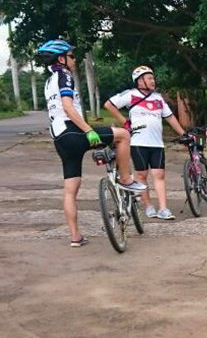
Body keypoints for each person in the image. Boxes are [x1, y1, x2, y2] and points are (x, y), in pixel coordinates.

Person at [37, 39, 146, 248]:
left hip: (59, 138)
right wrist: (88, 130)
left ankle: (75, 236)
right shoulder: (64, 76)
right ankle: (126, 179)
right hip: (73, 131)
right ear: (61, 59)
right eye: (71, 56)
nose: (74, 60)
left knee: (70, 190)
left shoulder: (49, 81)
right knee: (123, 135)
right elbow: (68, 107)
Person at [104, 66, 186, 220]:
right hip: (138, 142)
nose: (153, 81)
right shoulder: (131, 94)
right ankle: (148, 206)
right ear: (140, 81)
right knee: (142, 175)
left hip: (157, 143)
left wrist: (183, 134)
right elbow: (109, 105)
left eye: (153, 78)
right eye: (149, 78)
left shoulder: (158, 98)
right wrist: (125, 121)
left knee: (159, 174)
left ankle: (163, 208)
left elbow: (170, 117)